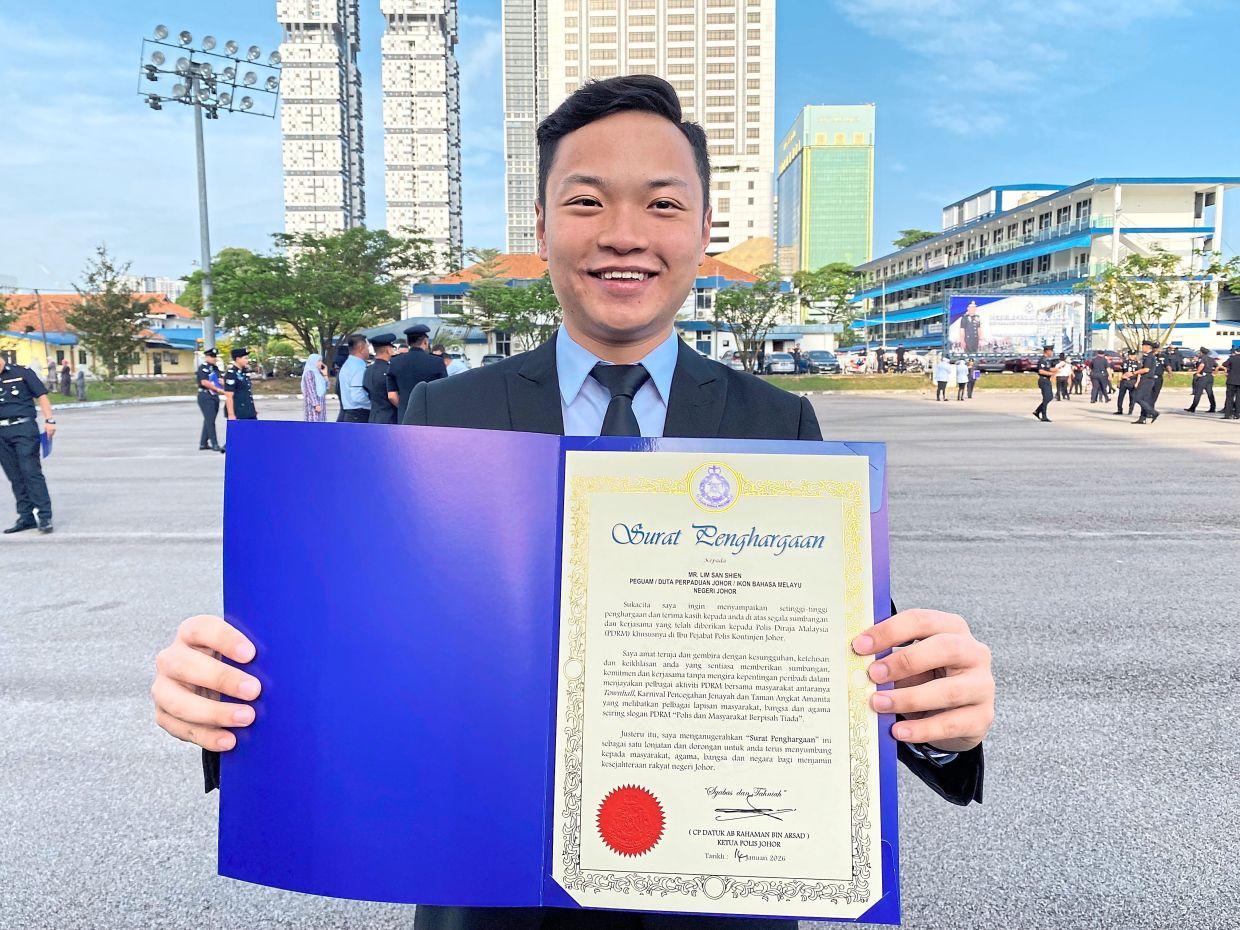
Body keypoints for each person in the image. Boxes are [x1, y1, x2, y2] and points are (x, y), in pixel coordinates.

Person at [152, 75, 994, 930]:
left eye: (663, 204)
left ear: (704, 231)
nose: (624, 234)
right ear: (544, 226)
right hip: (488, 897)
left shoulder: (778, 423)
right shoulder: (447, 415)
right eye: (587, 200)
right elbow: (367, 644)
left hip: (715, 899)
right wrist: (228, 696)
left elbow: (857, 663)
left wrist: (939, 712)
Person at [0, 354, 56, 534]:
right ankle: (26, 517)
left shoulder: (22, 372)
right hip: (1, 432)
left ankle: (44, 516)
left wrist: (50, 421)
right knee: (14, 475)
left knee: (30, 471)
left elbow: (42, 396)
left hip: (24, 428)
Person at [385, 323, 446, 423]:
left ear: (408, 342)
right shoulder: (436, 362)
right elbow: (442, 392)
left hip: (404, 415)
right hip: (429, 416)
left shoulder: (395, 362)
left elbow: (392, 396)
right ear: (425, 341)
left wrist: (406, 407)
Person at [336, 333, 371, 423]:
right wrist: (373, 404)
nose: (368, 350)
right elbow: (358, 396)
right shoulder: (358, 367)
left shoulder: (347, 365)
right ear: (360, 348)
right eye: (367, 347)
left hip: (349, 413)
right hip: (359, 414)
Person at [195, 348, 225, 452]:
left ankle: (203, 443)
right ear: (206, 357)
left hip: (214, 396)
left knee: (209, 419)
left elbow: (219, 380)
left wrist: (224, 384)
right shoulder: (203, 368)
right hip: (205, 395)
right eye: (212, 356)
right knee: (210, 420)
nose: (214, 358)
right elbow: (204, 382)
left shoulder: (215, 368)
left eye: (215, 356)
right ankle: (214, 444)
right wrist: (218, 389)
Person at [365, 334, 399, 423]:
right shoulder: (390, 370)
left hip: (373, 417)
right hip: (389, 418)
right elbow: (393, 396)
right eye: (392, 348)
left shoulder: (368, 370)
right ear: (388, 350)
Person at [223, 347, 258, 423]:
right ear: (238, 359)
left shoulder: (243, 373)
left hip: (248, 412)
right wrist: (231, 414)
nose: (247, 360)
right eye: (245, 358)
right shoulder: (231, 374)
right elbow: (229, 396)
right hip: (239, 412)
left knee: (254, 433)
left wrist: (252, 410)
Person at [1131, 338, 1161, 425]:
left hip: (1146, 380)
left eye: (1143, 346)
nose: (1142, 347)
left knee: (1137, 397)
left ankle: (1153, 412)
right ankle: (1142, 418)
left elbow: (1146, 369)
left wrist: (1134, 373)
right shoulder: (1149, 356)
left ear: (1147, 347)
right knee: (1144, 399)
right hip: (1149, 380)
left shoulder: (1149, 357)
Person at [1185, 347, 1216, 413]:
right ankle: (1213, 407)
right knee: (1210, 393)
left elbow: (1202, 365)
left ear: (1201, 352)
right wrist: (1214, 372)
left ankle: (1192, 408)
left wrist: (1197, 372)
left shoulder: (1202, 358)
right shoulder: (1211, 359)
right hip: (1210, 376)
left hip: (1203, 377)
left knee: (1198, 393)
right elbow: (1217, 366)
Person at [301, 353, 329, 422]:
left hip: (321, 404)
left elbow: (327, 387)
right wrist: (316, 404)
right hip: (313, 407)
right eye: (318, 361)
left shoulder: (318, 374)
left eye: (321, 361)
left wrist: (325, 374)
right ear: (313, 362)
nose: (321, 363)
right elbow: (310, 390)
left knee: (321, 426)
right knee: (313, 426)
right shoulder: (309, 373)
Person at [1033, 345, 1055, 422]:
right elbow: (1041, 371)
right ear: (1047, 351)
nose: (1052, 352)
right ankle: (1043, 416)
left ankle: (1037, 411)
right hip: (1043, 380)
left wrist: (1057, 370)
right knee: (1046, 398)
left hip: (1047, 380)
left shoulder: (1047, 360)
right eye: (1051, 351)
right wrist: (1051, 374)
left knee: (1050, 397)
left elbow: (1048, 368)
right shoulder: (1042, 360)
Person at [1114, 350, 1139, 416]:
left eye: (1133, 355)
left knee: (1132, 397)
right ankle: (1119, 410)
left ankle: (1130, 410)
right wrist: (1119, 381)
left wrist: (1137, 382)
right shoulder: (1124, 363)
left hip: (1132, 381)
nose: (1131, 356)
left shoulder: (1137, 364)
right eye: (1130, 355)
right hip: (1124, 381)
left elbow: (1139, 374)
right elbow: (1120, 372)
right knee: (1120, 396)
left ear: (1135, 356)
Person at [1222, 346, 1240, 420]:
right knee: (1239, 398)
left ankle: (1227, 414)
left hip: (1231, 380)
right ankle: (1237, 414)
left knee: (1229, 398)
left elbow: (1224, 364)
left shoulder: (1232, 358)